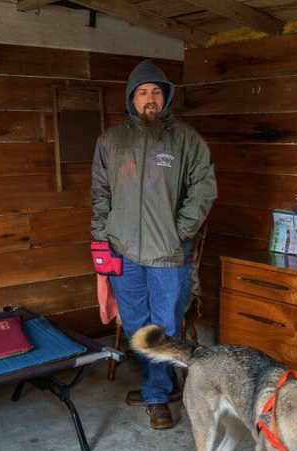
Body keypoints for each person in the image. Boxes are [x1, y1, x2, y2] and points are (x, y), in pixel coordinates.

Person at [91, 59, 217, 430]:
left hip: (169, 252)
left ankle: (157, 395)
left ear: (166, 98)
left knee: (164, 325)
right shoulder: (110, 141)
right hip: (123, 250)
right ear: (132, 99)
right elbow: (100, 193)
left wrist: (181, 229)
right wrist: (102, 237)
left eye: (156, 93)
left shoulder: (186, 139)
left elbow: (203, 188)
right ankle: (157, 383)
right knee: (135, 325)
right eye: (143, 93)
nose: (150, 99)